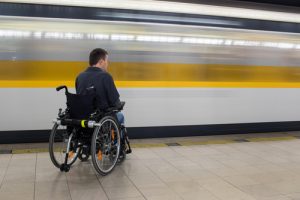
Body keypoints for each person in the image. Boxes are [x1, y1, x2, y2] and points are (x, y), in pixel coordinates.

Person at [75, 48, 125, 127]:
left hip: (83, 118)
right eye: (107, 61)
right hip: (100, 119)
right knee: (120, 116)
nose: (107, 64)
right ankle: (118, 139)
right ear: (101, 62)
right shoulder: (106, 76)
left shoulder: (80, 76)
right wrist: (119, 105)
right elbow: (115, 101)